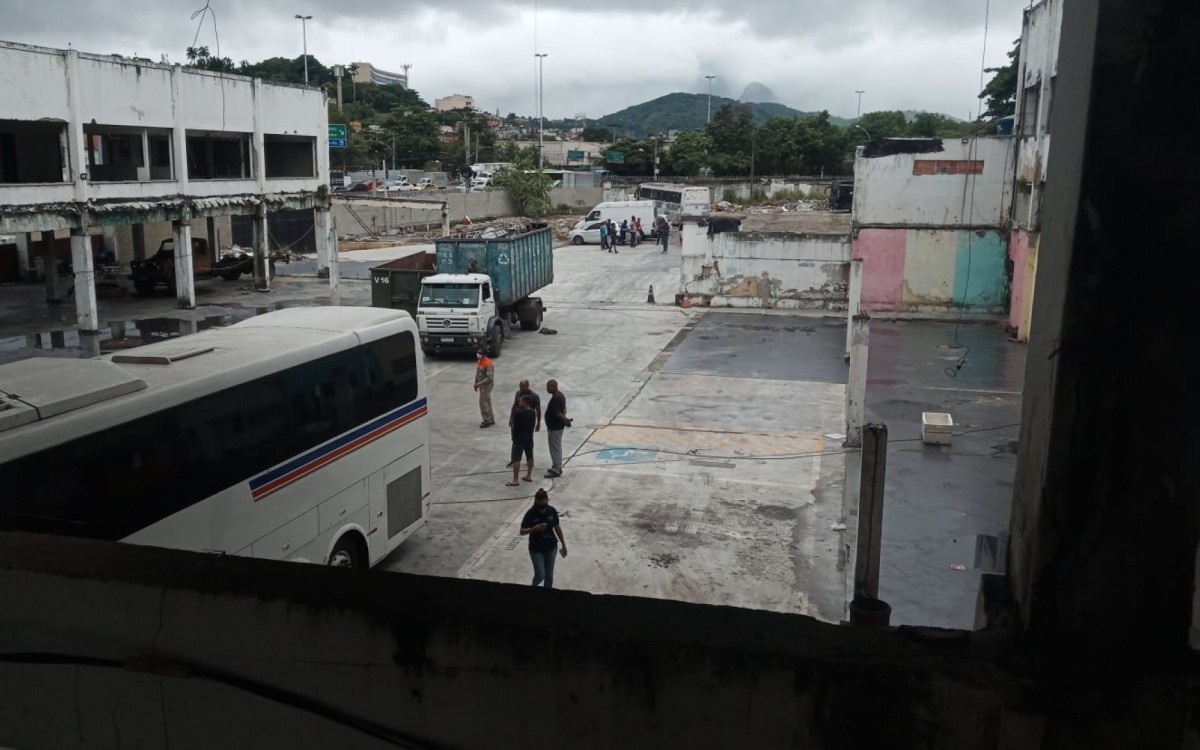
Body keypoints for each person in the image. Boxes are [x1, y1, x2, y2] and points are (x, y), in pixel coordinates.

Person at [520, 488, 567, 587]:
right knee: (540, 575)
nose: (542, 502)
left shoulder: (552, 511)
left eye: (544, 500)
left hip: (551, 547)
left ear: (547, 500)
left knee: (549, 576)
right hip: (536, 549)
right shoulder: (530, 513)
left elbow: (557, 528)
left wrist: (563, 544)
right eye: (539, 500)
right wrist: (533, 529)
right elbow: (522, 531)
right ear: (536, 501)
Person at [506, 379, 542, 467]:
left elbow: (538, 410)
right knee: (515, 439)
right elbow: (514, 406)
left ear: (528, 386)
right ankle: (514, 459)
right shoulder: (518, 393)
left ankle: (529, 458)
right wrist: (511, 418)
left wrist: (538, 422)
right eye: (520, 387)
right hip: (518, 420)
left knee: (528, 441)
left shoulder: (534, 396)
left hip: (528, 421)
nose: (521, 389)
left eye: (523, 387)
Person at [507, 395, 536, 486]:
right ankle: (529, 475)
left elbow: (513, 424)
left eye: (520, 401)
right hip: (529, 438)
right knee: (530, 456)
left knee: (516, 459)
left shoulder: (519, 413)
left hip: (519, 438)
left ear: (525, 402)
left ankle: (515, 479)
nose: (519, 402)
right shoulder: (532, 412)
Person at [544, 379, 569, 478]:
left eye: (548, 387)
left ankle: (556, 469)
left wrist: (565, 419)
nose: (547, 389)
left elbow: (558, 412)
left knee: (555, 448)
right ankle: (557, 466)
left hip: (555, 427)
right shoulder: (559, 396)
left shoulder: (557, 398)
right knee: (556, 447)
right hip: (555, 426)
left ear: (554, 386)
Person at [473, 351, 495, 428]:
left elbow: (489, 378)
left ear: (485, 354)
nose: (478, 354)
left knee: (482, 402)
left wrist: (479, 384)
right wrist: (475, 383)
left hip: (487, 385)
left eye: (480, 353)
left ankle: (487, 420)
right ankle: (491, 419)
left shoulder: (488, 363)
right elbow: (478, 373)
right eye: (478, 352)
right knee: (487, 401)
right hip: (481, 385)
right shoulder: (480, 361)